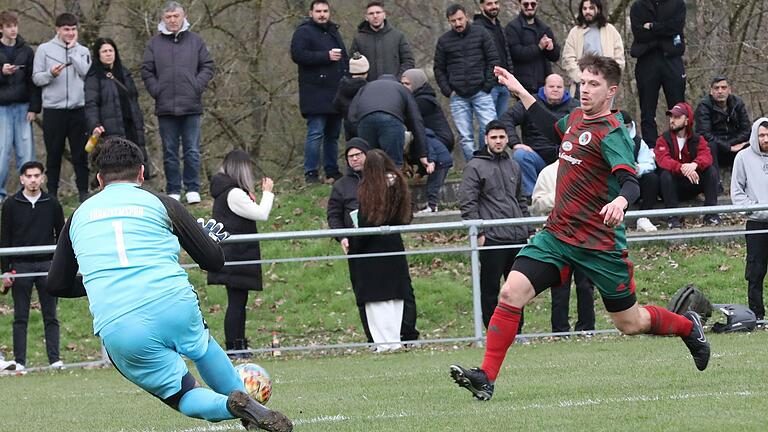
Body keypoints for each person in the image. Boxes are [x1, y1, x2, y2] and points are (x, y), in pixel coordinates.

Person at [450, 54, 710, 402]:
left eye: (593, 84)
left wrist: (620, 202)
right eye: (582, 83)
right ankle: (486, 377)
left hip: (598, 244)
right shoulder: (575, 119)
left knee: (630, 323)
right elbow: (548, 123)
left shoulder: (613, 133)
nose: (584, 90)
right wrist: (519, 90)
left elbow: (629, 180)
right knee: (510, 293)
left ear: (611, 91)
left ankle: (687, 326)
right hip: (557, 236)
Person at [46, 137, 293, 431]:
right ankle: (247, 405)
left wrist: (104, 279)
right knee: (201, 348)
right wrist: (208, 241)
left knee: (183, 394)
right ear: (141, 173)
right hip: (171, 300)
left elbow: (57, 284)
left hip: (120, 323)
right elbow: (213, 261)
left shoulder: (77, 217)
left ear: (99, 180)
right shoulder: (161, 203)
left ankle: (232, 406)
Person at [327, 139, 419, 345]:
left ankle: (395, 339)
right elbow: (334, 214)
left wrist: (357, 241)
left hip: (375, 246)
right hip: (363, 246)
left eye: (359, 154)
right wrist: (343, 237)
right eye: (350, 156)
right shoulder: (343, 186)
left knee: (391, 296)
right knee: (375, 297)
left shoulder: (381, 186)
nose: (355, 159)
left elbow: (374, 217)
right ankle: (383, 341)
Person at [460, 120, 532, 328]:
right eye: (494, 137)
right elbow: (468, 203)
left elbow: (520, 199)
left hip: (517, 236)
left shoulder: (513, 165)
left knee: (518, 288)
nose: (498, 141)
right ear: (486, 139)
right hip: (492, 237)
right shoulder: (474, 166)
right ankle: (492, 330)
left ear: (507, 138)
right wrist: (479, 233)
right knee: (490, 287)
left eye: (502, 137)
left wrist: (528, 229)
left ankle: (516, 330)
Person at [141, 1, 214, 203]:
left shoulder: (195, 41)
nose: (172, 20)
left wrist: (196, 86)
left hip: (191, 105)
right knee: (170, 151)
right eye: (168, 17)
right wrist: (157, 90)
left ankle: (192, 188)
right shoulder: (154, 44)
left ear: (183, 17)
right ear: (163, 19)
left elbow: (207, 66)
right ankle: (173, 189)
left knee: (192, 150)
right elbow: (146, 70)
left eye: (176, 16)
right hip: (165, 107)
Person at [207, 150, 274, 357]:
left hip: (236, 255)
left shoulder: (229, 192)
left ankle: (238, 345)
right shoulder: (234, 194)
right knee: (236, 303)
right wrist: (268, 192)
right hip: (236, 256)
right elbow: (261, 213)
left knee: (238, 302)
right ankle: (235, 347)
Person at [348, 149, 414, 353]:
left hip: (371, 251)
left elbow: (368, 221)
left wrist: (354, 244)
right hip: (394, 245)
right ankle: (394, 339)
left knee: (376, 300)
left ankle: (384, 343)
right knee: (395, 297)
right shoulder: (399, 185)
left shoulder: (371, 188)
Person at [1, 160, 64, 370]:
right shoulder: (10, 204)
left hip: (47, 265)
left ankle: (55, 360)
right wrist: (6, 270)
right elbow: (5, 238)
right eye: (29, 176)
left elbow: (62, 237)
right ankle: (19, 362)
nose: (33, 180)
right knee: (20, 317)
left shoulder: (52, 203)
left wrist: (60, 266)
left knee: (51, 316)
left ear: (43, 177)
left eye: (37, 175)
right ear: (22, 179)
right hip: (20, 266)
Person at [529, 160, 597, 333]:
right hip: (558, 237)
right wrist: (561, 197)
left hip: (585, 236)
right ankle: (560, 331)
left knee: (586, 285)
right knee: (560, 286)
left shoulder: (589, 168)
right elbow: (537, 205)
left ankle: (586, 328)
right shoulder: (548, 172)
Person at [32, 12, 91, 202]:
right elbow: (37, 78)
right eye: (66, 29)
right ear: (58, 29)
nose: (70, 33)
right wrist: (50, 73)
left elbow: (87, 75)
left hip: (78, 109)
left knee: (81, 154)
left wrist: (73, 53)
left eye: (73, 29)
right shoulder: (44, 49)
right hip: (53, 110)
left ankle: (83, 192)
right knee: (54, 153)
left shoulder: (83, 50)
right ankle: (52, 194)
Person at [290, 0, 347, 185]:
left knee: (333, 135)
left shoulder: (333, 31)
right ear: (311, 12)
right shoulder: (303, 31)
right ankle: (311, 173)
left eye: (325, 11)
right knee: (315, 133)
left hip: (336, 92)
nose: (322, 14)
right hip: (314, 93)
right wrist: (325, 56)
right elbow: (297, 55)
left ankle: (332, 171)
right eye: (318, 11)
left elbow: (343, 58)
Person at [434, 3, 500, 161]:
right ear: (449, 22)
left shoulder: (481, 33)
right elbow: (438, 68)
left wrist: (487, 85)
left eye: (460, 19)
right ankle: (474, 168)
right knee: (465, 137)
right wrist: (448, 91)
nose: (457, 23)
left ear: (466, 17)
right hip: (458, 96)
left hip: (481, 92)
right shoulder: (444, 41)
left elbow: (493, 60)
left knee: (491, 129)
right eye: (453, 21)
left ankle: (492, 164)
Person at [500, 73, 577, 198]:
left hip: (564, 158)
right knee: (520, 155)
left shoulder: (575, 106)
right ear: (544, 88)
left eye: (559, 87)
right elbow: (506, 118)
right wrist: (515, 143)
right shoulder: (529, 102)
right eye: (551, 86)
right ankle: (532, 197)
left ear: (564, 89)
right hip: (536, 157)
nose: (555, 89)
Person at [85, 38, 149, 177]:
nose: (108, 54)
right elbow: (91, 104)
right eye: (104, 51)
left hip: (130, 125)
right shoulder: (94, 76)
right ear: (98, 54)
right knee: (114, 163)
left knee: (135, 161)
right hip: (109, 128)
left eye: (111, 50)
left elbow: (134, 99)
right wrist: (95, 124)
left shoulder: (124, 73)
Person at [654, 102, 719, 228]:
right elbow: (663, 160)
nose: (672, 120)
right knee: (665, 175)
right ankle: (672, 217)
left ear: (686, 120)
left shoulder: (698, 139)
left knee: (711, 170)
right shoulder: (663, 139)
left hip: (693, 183)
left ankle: (711, 214)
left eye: (677, 117)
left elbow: (706, 156)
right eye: (671, 117)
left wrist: (694, 165)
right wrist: (683, 168)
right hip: (672, 186)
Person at [630, 0, 686, 145]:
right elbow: (639, 33)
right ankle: (651, 149)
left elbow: (676, 26)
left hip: (672, 59)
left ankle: (679, 146)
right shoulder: (638, 6)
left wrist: (653, 27)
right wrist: (664, 33)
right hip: (646, 61)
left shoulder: (677, 4)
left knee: (678, 109)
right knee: (647, 110)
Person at [401, 68, 455, 213]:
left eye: (407, 84)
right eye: (402, 83)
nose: (403, 87)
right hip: (429, 137)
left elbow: (409, 120)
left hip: (439, 139)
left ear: (417, 84)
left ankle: (432, 203)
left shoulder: (422, 101)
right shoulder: (417, 98)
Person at [0, 11, 41, 202]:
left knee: (27, 153)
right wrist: (2, 72)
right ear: (1, 29)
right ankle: (1, 194)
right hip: (3, 108)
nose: (13, 29)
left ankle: (29, 193)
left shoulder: (26, 50)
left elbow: (33, 82)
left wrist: (34, 107)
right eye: (8, 26)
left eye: (15, 25)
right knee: (2, 152)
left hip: (24, 107)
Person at [730, 118, 768, 321]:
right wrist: (756, 210)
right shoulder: (743, 157)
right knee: (756, 271)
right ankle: (757, 315)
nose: (765, 139)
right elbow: (737, 194)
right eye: (761, 135)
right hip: (757, 223)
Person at [348, 74, 428, 170]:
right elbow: (416, 120)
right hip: (391, 120)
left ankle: (374, 183)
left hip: (364, 120)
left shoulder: (365, 87)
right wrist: (423, 153)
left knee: (371, 164)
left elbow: (351, 116)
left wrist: (357, 137)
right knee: (394, 164)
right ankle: (393, 183)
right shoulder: (402, 89)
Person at [562, 0, 625, 97]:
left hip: (605, 85)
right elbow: (568, 59)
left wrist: (610, 79)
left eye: (591, 8)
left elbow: (619, 59)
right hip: (582, 86)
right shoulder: (575, 32)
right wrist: (581, 78)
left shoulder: (611, 31)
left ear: (598, 9)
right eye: (584, 8)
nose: (587, 11)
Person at [694, 76, 751, 175]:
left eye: (723, 88)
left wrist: (732, 144)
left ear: (729, 90)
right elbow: (704, 134)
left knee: (750, 145)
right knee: (710, 146)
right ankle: (716, 186)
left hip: (735, 143)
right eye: (716, 88)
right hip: (715, 147)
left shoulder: (737, 103)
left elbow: (746, 130)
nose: (720, 91)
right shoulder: (704, 106)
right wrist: (727, 147)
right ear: (711, 91)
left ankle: (745, 184)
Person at [504, 0, 560, 94]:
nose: (529, 7)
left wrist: (551, 49)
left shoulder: (544, 28)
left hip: (543, 84)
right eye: (526, 4)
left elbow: (555, 57)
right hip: (523, 85)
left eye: (533, 4)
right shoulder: (512, 28)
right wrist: (539, 47)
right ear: (520, 5)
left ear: (537, 4)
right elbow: (516, 53)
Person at [350, 1, 414, 82]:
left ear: (384, 15)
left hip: (393, 88)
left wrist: (397, 81)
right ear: (366, 17)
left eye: (378, 12)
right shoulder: (359, 39)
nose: (375, 16)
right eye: (371, 13)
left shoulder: (398, 36)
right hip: (368, 89)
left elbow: (408, 62)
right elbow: (353, 65)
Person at [473, 0, 513, 117]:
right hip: (489, 88)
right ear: (481, 7)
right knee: (488, 127)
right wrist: (487, 84)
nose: (494, 6)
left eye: (496, 3)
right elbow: (475, 59)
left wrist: (509, 76)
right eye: (489, 4)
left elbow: (506, 53)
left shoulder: (499, 26)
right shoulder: (477, 28)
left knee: (501, 126)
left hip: (503, 83)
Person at [621, 110, 659, 232]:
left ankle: (643, 216)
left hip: (634, 182)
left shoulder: (638, 142)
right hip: (615, 183)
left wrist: (639, 168)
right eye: (622, 127)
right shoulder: (606, 141)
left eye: (627, 127)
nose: (625, 130)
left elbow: (649, 163)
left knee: (652, 178)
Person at [333, 52, 369, 140]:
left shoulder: (343, 86)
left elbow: (336, 104)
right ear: (366, 71)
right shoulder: (366, 89)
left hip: (348, 125)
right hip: (364, 126)